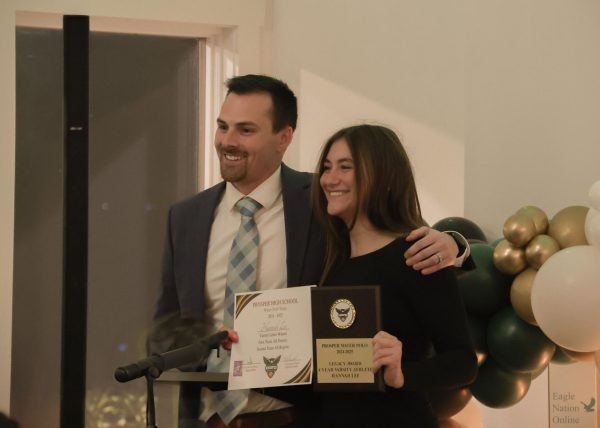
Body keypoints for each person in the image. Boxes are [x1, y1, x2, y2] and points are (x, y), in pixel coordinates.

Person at [151, 74, 471, 428]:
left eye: (245, 130)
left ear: (284, 137)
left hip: (299, 418)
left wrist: (455, 244)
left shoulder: (320, 206)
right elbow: (167, 325)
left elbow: (399, 242)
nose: (228, 140)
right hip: (208, 418)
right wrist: (211, 346)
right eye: (223, 126)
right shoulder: (184, 217)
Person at [310, 124, 478, 427]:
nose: (329, 179)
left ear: (383, 176)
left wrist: (403, 373)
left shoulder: (417, 255)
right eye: (327, 167)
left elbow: (462, 363)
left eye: (345, 167)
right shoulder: (329, 259)